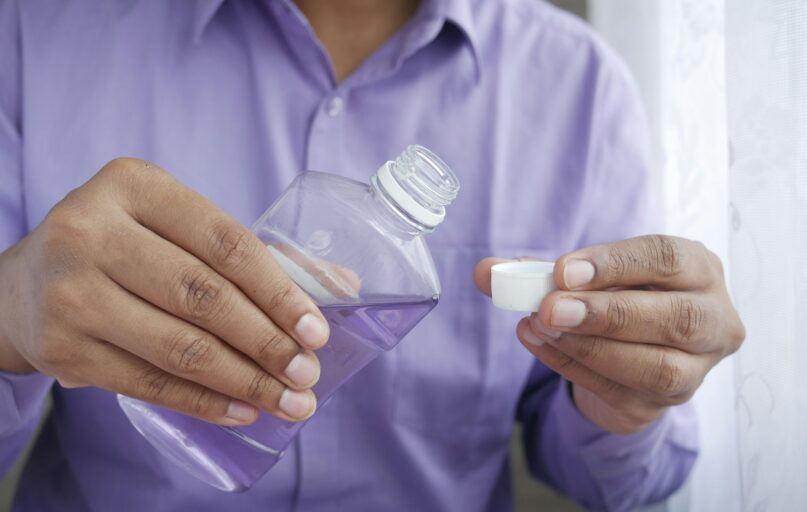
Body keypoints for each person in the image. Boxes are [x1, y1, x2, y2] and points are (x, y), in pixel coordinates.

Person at [0, 0, 745, 511]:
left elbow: (609, 480)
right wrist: (7, 323)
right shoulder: (33, 31)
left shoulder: (578, 87)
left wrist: (624, 399)